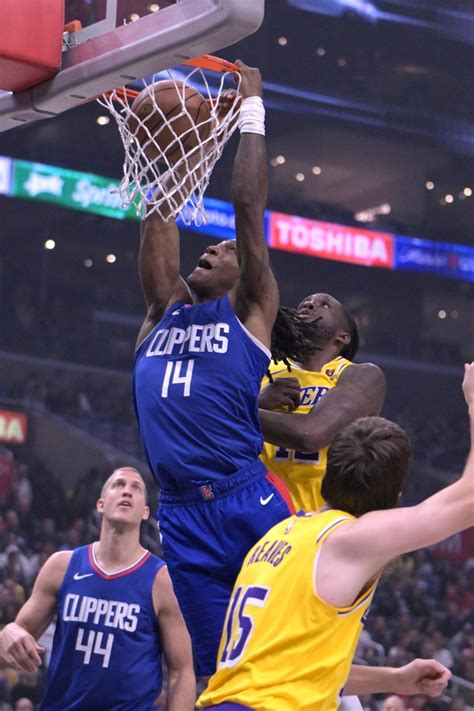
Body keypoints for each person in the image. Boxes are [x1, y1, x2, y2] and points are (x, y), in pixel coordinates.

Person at [133, 61, 296, 678]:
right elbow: (160, 222)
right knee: (213, 673)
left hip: (245, 501)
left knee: (279, 659)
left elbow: (249, 210)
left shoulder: (250, 312)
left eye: (225, 250)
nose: (214, 248)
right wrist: (164, 160)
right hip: (178, 514)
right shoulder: (161, 313)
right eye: (212, 245)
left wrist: (250, 110)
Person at [197, 363, 474, 710]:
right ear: (396, 496)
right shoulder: (348, 540)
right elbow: (469, 500)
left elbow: (296, 671)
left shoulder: (279, 535)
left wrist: (395, 679)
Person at [0, 467, 195, 711]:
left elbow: (182, 670)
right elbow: (17, 637)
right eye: (118, 485)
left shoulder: (162, 580)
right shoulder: (61, 566)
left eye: (136, 488)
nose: (127, 491)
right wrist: (8, 631)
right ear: (101, 504)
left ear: (145, 512)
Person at [259, 292, 386, 511]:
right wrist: (257, 402)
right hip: (257, 508)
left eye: (324, 304)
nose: (309, 304)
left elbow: (309, 436)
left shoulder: (360, 376)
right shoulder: (266, 368)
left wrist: (244, 408)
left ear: (343, 336)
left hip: (318, 515)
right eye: (305, 302)